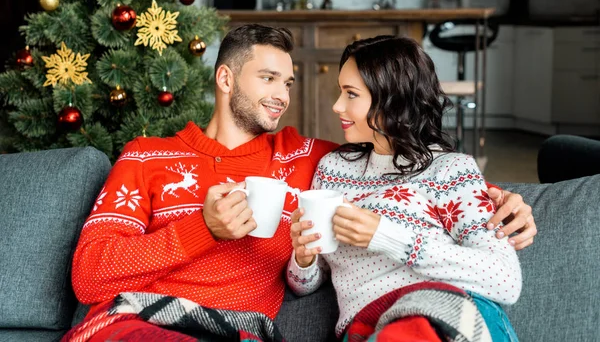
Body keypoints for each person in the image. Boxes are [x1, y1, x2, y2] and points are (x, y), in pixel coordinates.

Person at [66, 25, 535, 341]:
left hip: (236, 329)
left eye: (288, 83)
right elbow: (88, 276)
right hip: (136, 320)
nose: (281, 97)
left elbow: (404, 166)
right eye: (268, 78)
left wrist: (503, 197)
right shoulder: (148, 156)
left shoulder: (309, 159)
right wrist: (201, 230)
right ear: (226, 78)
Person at [288, 36, 523, 341]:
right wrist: (303, 258)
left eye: (351, 94)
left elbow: (505, 279)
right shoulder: (333, 169)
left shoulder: (451, 170)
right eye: (340, 92)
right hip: (366, 325)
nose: (336, 105)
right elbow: (306, 282)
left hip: (441, 309)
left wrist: (386, 236)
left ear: (392, 99)